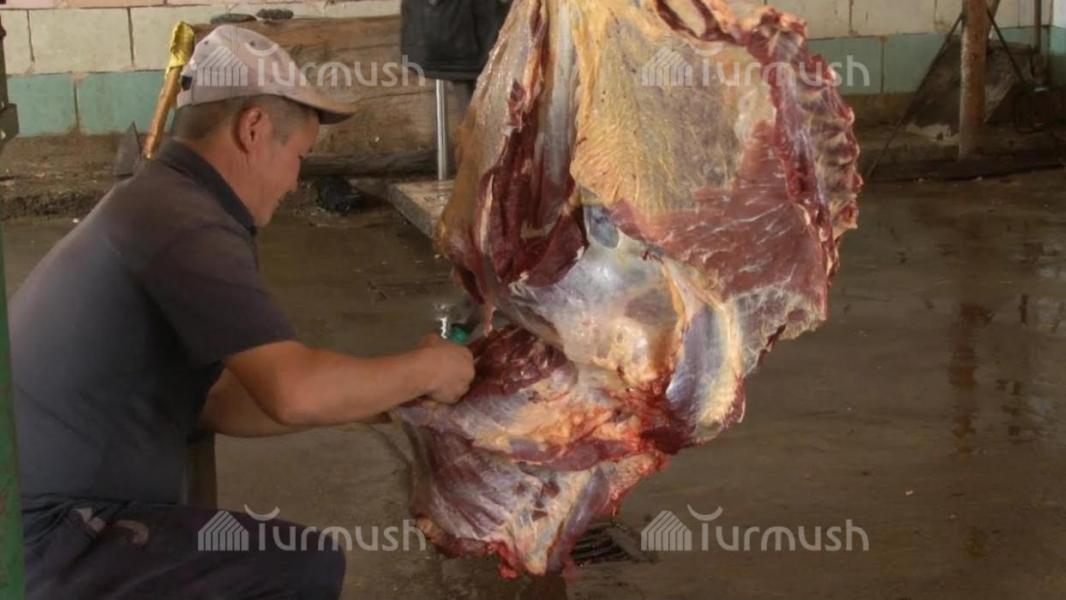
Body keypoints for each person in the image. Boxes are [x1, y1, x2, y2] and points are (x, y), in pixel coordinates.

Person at [11, 25, 475, 599]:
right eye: (298, 156)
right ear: (253, 129)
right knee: (299, 568)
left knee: (283, 556)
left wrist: (389, 398)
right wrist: (429, 368)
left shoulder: (164, 196)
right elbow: (292, 391)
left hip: (47, 517)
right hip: (46, 539)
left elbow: (216, 401)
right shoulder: (184, 222)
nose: (295, 182)